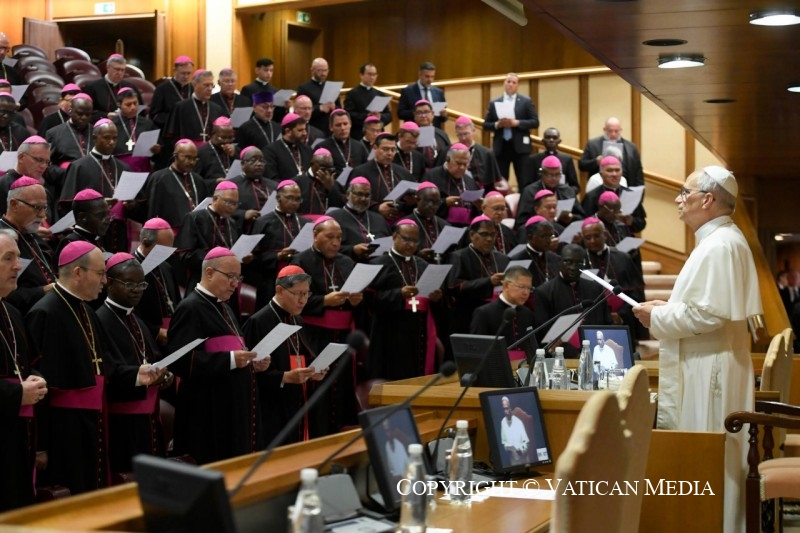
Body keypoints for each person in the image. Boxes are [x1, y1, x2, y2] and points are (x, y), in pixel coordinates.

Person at [633, 166, 762, 533]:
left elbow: (708, 314)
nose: (677, 199)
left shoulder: (720, 245)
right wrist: (665, 308)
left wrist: (655, 317)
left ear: (707, 199)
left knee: (708, 461)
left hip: (710, 373)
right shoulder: (718, 240)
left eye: (684, 192)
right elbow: (703, 306)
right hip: (709, 363)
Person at [28, 241, 163, 494]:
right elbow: (39, 382)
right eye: (100, 274)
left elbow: (106, 369)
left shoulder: (88, 312)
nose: (104, 282)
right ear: (78, 273)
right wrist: (41, 444)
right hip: (63, 431)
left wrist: (137, 374)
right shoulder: (44, 313)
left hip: (95, 423)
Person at [166, 247, 267, 463]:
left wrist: (251, 363)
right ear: (209, 272)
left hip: (232, 407)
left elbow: (232, 351)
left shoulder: (225, 307)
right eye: (230, 277)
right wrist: (231, 360)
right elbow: (181, 361)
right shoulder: (191, 308)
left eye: (238, 277)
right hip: (208, 411)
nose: (235, 284)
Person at [96, 253, 171, 473]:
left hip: (149, 419)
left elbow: (155, 357)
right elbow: (108, 371)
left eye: (141, 283)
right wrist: (139, 375)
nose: (137, 289)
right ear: (109, 282)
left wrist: (164, 376)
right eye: (129, 283)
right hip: (122, 424)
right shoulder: (100, 319)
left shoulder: (137, 320)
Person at [290, 217, 363, 433]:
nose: (335, 242)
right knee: (318, 386)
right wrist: (323, 301)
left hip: (343, 335)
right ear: (315, 236)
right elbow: (292, 299)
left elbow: (356, 298)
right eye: (330, 237)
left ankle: (340, 431)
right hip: (314, 335)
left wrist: (357, 301)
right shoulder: (299, 262)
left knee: (341, 387)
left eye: (339, 238)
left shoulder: (347, 262)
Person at [242, 265, 327, 443]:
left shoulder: (297, 319)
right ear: (280, 290)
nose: (303, 300)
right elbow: (248, 374)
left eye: (307, 294)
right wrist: (285, 377)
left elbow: (302, 356)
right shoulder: (258, 322)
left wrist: (314, 372)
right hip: (271, 408)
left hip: (296, 401)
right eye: (298, 294)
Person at [0, 229, 47, 511]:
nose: (18, 266)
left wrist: (36, 381)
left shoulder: (12, 311)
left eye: (18, 258)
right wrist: (17, 393)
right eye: (8, 259)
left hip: (18, 436)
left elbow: (28, 365)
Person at [368, 219, 444, 380]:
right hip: (390, 331)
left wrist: (436, 298)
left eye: (415, 241)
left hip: (419, 330)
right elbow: (369, 300)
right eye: (406, 239)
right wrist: (398, 294)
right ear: (395, 236)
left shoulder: (422, 264)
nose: (411, 245)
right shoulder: (379, 264)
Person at [59, 119, 135, 253]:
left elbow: (137, 208)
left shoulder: (124, 167)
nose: (111, 142)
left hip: (119, 231)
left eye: (114, 138)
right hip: (92, 231)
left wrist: (131, 205)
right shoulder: (79, 166)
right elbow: (67, 205)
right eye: (106, 138)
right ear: (95, 138)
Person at [533, 243, 611, 357]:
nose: (573, 267)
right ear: (560, 261)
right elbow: (545, 333)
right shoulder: (544, 292)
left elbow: (606, 322)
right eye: (568, 262)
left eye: (579, 263)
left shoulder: (595, 288)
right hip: (561, 355)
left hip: (596, 350)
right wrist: (574, 354)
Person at [581, 217, 646, 339]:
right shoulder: (580, 260)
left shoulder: (622, 257)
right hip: (593, 322)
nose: (592, 241)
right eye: (588, 238)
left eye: (596, 236)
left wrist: (621, 315)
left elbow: (636, 292)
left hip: (622, 320)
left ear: (605, 234)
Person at [175, 181, 245, 292]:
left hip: (228, 284)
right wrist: (217, 260)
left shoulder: (232, 222)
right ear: (215, 199)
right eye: (228, 202)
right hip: (202, 281)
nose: (232, 207)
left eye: (235, 204)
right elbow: (185, 255)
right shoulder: (195, 218)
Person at [250, 179, 311, 306]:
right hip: (271, 280)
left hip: (301, 277)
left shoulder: (306, 223)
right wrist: (277, 257)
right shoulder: (262, 222)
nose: (294, 203)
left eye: (298, 199)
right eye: (289, 198)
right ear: (278, 198)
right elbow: (253, 258)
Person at [2, 177, 57, 315]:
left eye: (44, 208)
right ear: (14, 204)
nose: (43, 215)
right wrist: (43, 291)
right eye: (37, 208)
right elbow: (5, 292)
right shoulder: (2, 240)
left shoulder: (29, 231)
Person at [447, 215, 510, 334]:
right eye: (484, 234)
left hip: (497, 314)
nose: (489, 239)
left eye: (493, 234)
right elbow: (454, 287)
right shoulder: (459, 256)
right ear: (472, 235)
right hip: (468, 314)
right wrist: (488, 281)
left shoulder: (503, 259)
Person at [470, 266, 538, 362]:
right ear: (506, 285)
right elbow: (476, 350)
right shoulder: (484, 313)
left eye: (529, 288)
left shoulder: (527, 313)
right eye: (521, 287)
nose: (526, 293)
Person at [483, 73, 539, 183]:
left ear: (517, 85)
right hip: (501, 147)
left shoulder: (525, 101)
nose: (511, 84)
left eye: (514, 82)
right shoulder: (494, 102)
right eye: (508, 81)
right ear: (504, 83)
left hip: (520, 148)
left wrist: (516, 123)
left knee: (524, 180)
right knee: (501, 181)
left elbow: (535, 122)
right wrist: (497, 125)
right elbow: (486, 125)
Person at [133, 217, 181, 345]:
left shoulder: (167, 268)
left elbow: (176, 302)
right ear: (145, 242)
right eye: (162, 250)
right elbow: (130, 312)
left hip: (172, 335)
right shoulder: (130, 269)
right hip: (148, 339)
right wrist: (155, 332)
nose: (167, 255)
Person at [143, 138, 208, 231]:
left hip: (195, 232)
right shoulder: (159, 178)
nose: (192, 162)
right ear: (175, 156)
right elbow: (152, 211)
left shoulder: (199, 180)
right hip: (171, 233)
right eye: (187, 157)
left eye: (194, 158)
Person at [350, 132, 413, 223]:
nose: (390, 153)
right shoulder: (360, 171)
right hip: (371, 220)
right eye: (385, 149)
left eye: (393, 150)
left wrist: (411, 202)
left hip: (400, 220)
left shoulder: (403, 172)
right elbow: (349, 198)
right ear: (375, 148)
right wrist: (377, 208)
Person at [581, 155, 647, 235]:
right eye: (610, 171)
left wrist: (631, 221)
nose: (614, 174)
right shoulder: (591, 196)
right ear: (601, 174)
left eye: (617, 170)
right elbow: (583, 223)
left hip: (625, 241)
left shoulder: (630, 194)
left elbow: (642, 223)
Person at [330, 177, 391, 262]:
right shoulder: (333, 218)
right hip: (350, 265)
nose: (363, 199)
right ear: (348, 194)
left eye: (367, 195)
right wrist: (352, 250)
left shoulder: (379, 218)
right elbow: (327, 248)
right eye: (359, 194)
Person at [0, 135, 60, 219]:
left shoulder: (43, 190)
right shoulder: (2, 185)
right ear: (21, 157)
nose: (43, 166)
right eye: (39, 160)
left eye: (47, 162)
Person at [516, 155, 584, 229]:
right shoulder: (529, 191)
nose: (554, 178)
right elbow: (521, 222)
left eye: (557, 175)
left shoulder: (568, 191)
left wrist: (571, 217)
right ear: (542, 174)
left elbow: (581, 217)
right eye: (550, 175)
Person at [161, 69, 224, 149]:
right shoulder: (181, 107)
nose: (210, 88)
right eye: (206, 85)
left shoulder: (217, 108)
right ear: (195, 84)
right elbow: (171, 138)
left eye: (212, 85)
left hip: (211, 154)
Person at [425, 143, 483, 227]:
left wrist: (479, 206)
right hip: (440, 226)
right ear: (448, 159)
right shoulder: (432, 176)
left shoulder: (470, 181)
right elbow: (423, 204)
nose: (462, 168)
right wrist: (444, 203)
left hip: (466, 229)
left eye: (465, 164)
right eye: (459, 163)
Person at [579, 117, 644, 187]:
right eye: (610, 131)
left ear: (621, 130)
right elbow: (582, 165)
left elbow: (638, 172)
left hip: (626, 186)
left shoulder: (631, 147)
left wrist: (640, 190)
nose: (613, 134)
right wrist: (596, 162)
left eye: (616, 131)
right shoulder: (592, 144)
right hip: (600, 188)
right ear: (604, 130)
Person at [111, 87, 160, 172]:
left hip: (143, 169)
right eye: (128, 104)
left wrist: (156, 150)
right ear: (119, 104)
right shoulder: (111, 124)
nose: (133, 107)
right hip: (118, 169)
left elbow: (156, 153)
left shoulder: (147, 123)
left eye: (135, 103)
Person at [228, 146, 276, 231]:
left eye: (261, 161)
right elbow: (221, 209)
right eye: (253, 161)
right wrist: (243, 214)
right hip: (246, 230)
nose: (259, 164)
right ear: (242, 164)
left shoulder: (274, 185)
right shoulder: (231, 185)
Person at [54, 189, 111, 260]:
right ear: (83, 217)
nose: (107, 221)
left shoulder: (95, 238)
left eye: (108, 214)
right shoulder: (71, 244)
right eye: (101, 216)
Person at [509, 215, 560, 290]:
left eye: (550, 236)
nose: (549, 240)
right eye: (544, 236)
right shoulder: (517, 261)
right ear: (530, 237)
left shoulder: (555, 258)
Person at [454, 116, 503, 192]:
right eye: (460, 135)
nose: (463, 138)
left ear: (473, 130)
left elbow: (492, 183)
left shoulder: (486, 153)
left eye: (466, 134)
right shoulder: (450, 151)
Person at [522, 127, 579, 193]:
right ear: (543, 141)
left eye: (554, 138)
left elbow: (575, 186)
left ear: (559, 141)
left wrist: (566, 193)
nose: (551, 140)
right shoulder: (533, 159)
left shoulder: (567, 159)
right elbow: (527, 185)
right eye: (548, 137)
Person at [344, 63, 392, 140]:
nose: (372, 77)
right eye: (369, 74)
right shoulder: (352, 94)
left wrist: (380, 116)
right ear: (361, 75)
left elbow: (389, 116)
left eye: (374, 75)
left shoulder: (380, 94)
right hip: (359, 135)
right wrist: (367, 116)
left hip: (378, 135)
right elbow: (348, 115)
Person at [45, 93, 95, 167]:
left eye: (88, 115)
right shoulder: (53, 134)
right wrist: (66, 172)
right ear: (70, 111)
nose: (84, 117)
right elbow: (47, 165)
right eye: (80, 114)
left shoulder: (97, 132)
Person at [294, 147, 345, 216]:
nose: (326, 172)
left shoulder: (335, 184)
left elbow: (341, 207)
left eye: (330, 169)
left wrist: (331, 189)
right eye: (323, 169)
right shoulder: (297, 182)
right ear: (312, 164)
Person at [296, 57, 341, 135]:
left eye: (325, 70)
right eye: (320, 70)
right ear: (312, 70)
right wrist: (320, 108)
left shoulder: (332, 86)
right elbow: (300, 112)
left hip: (331, 129)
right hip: (314, 128)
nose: (323, 73)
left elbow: (339, 108)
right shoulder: (304, 88)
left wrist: (335, 107)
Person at [408, 181, 450, 263]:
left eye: (437, 202)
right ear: (417, 199)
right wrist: (418, 255)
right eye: (429, 201)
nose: (433, 206)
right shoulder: (405, 225)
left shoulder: (445, 225)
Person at [149, 56, 194, 131]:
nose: (186, 76)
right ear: (175, 71)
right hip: (168, 131)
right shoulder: (162, 88)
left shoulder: (193, 88)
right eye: (183, 73)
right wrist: (175, 120)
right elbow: (155, 115)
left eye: (188, 73)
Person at [397, 61, 447, 129]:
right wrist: (419, 113)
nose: (430, 80)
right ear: (420, 75)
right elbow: (401, 113)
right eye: (427, 76)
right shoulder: (408, 91)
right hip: (414, 131)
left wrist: (444, 115)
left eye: (432, 77)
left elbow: (443, 118)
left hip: (434, 130)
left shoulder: (438, 92)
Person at [264, 113, 312, 182]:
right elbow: (271, 179)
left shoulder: (307, 149)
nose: (305, 133)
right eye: (300, 130)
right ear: (288, 131)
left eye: (305, 129)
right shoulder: (270, 151)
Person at [194, 116, 236, 188]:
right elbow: (195, 181)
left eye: (230, 137)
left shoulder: (234, 150)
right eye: (223, 137)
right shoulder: (201, 153)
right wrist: (215, 182)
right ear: (212, 135)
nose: (227, 141)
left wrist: (234, 156)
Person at [412, 99, 450, 171]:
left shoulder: (442, 134)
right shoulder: (410, 134)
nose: (423, 116)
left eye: (426, 112)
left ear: (432, 114)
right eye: (419, 113)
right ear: (415, 116)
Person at [499, 396, 530, 465]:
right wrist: (508, 448)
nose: (505, 411)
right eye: (504, 409)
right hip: (513, 461)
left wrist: (521, 450)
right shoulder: (503, 422)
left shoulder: (518, 422)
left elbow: (527, 443)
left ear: (511, 408)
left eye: (507, 409)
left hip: (523, 461)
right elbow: (504, 442)